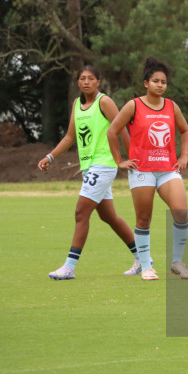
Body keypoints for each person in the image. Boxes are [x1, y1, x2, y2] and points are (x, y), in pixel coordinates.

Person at [38, 65, 140, 280]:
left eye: (91, 78)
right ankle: (143, 258)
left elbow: (121, 128)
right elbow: (69, 137)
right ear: (78, 82)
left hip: (103, 165)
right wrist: (50, 157)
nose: (86, 82)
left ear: (98, 82)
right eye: (82, 78)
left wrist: (128, 159)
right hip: (89, 167)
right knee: (108, 216)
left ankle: (69, 267)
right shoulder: (77, 104)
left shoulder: (105, 102)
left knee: (80, 213)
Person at [107, 57, 188, 281]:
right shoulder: (134, 105)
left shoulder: (172, 106)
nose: (160, 85)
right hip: (142, 171)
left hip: (167, 170)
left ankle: (177, 262)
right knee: (144, 219)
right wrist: (119, 161)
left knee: (181, 213)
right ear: (146, 83)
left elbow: (185, 130)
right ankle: (146, 266)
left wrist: (183, 155)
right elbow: (112, 131)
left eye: (163, 82)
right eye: (155, 81)